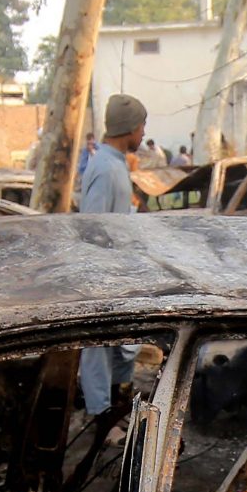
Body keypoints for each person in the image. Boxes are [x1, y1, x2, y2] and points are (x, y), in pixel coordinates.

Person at [79, 95, 147, 420]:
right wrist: (101, 273)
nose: (144, 133)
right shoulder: (105, 168)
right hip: (102, 273)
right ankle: (102, 418)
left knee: (124, 344)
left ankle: (120, 410)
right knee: (98, 347)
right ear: (131, 128)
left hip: (119, 271)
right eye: (142, 126)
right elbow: (93, 227)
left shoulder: (116, 164)